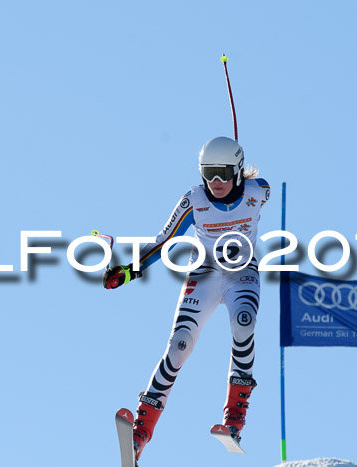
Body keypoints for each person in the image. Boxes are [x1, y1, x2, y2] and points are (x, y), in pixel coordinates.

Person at [103, 136, 270, 462]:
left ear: (236, 169)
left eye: (223, 172)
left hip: (242, 274)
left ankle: (235, 417)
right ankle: (140, 433)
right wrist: (129, 271)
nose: (216, 182)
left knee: (244, 323)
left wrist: (246, 176)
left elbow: (261, 186)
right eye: (209, 173)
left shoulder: (256, 193)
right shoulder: (194, 201)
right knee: (179, 344)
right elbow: (163, 241)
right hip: (205, 275)